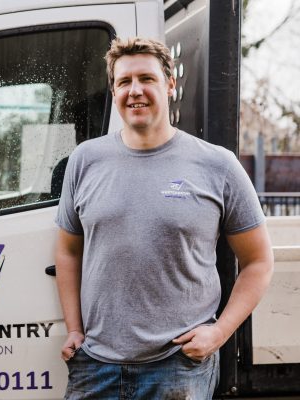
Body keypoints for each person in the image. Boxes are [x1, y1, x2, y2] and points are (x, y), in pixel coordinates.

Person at [55, 37, 274, 399]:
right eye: (124, 82)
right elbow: (67, 251)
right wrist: (74, 329)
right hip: (94, 364)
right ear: (113, 90)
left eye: (146, 79)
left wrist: (218, 334)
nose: (135, 91)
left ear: (170, 85)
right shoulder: (85, 161)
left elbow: (258, 261)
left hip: (178, 367)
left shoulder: (217, 165)